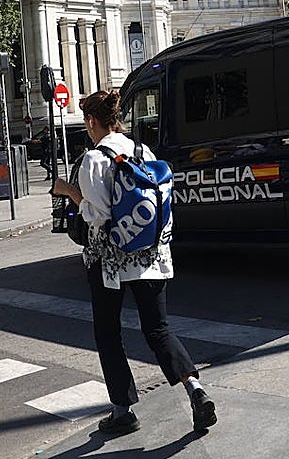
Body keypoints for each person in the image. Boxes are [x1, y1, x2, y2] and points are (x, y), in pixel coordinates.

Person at [54, 90, 216, 437]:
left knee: (108, 333)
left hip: (109, 262)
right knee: (158, 329)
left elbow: (96, 215)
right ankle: (195, 389)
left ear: (92, 121)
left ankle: (122, 411)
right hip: (150, 255)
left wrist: (69, 191)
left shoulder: (94, 159)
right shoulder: (143, 151)